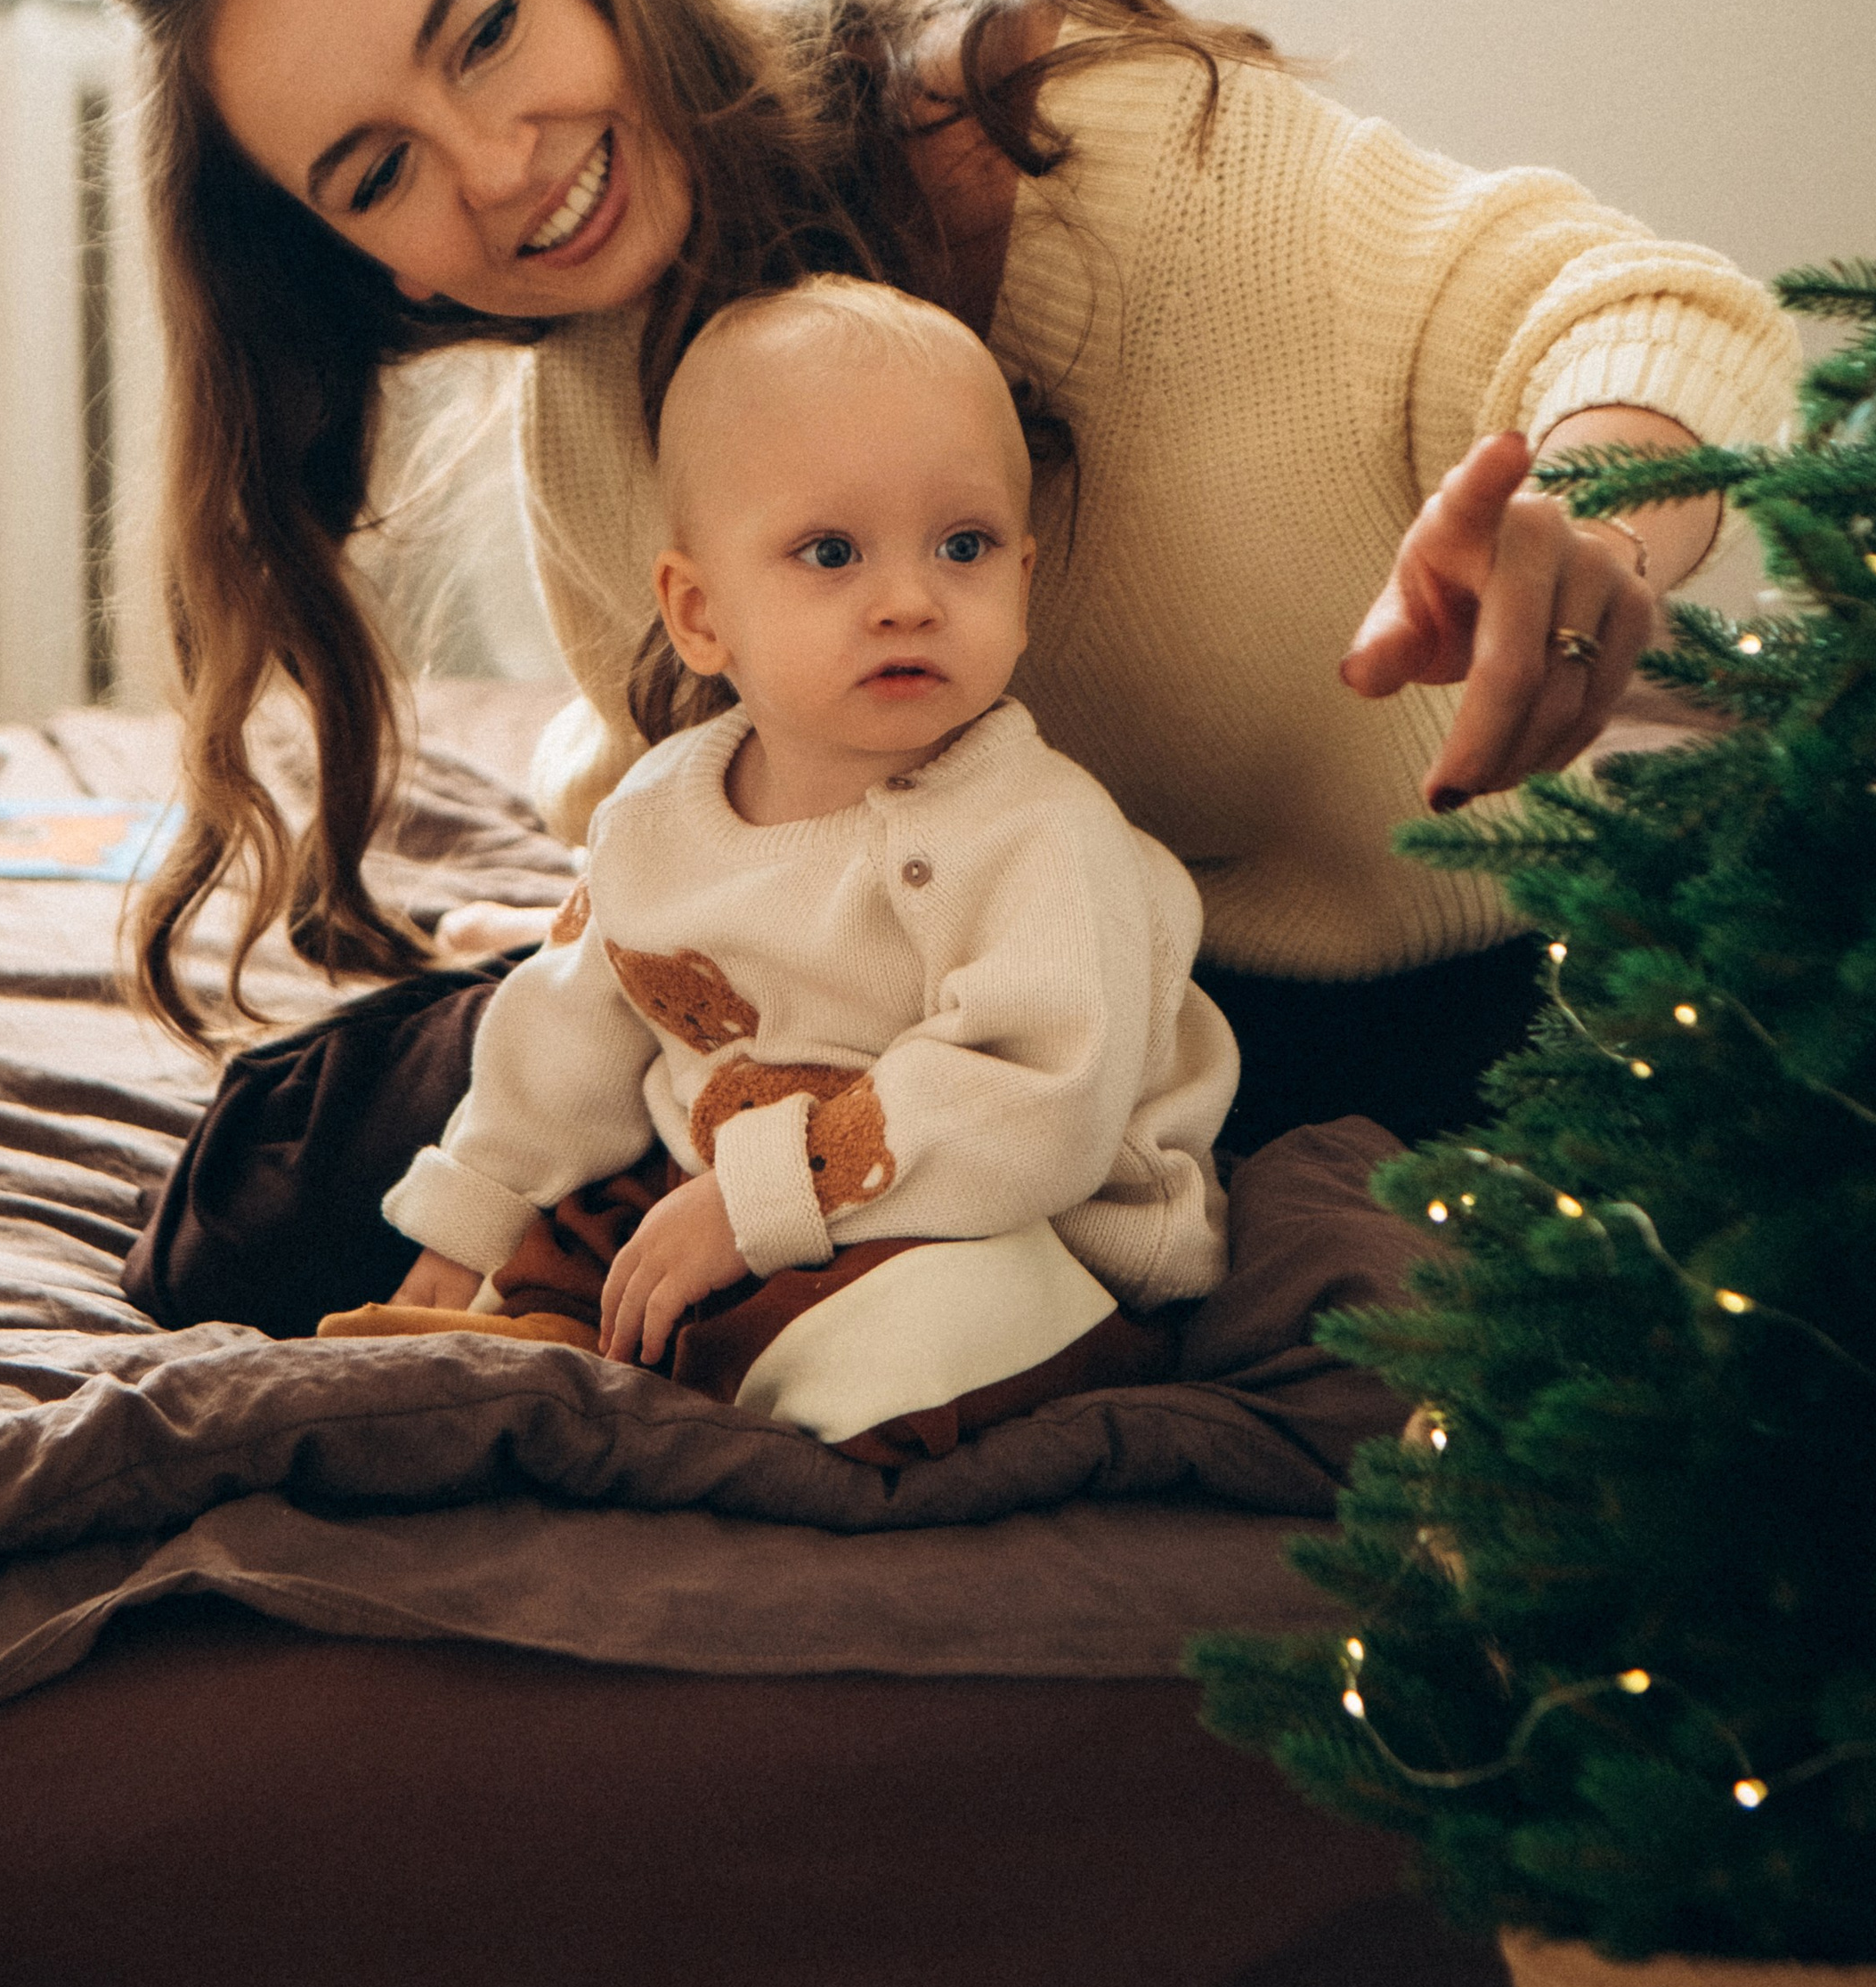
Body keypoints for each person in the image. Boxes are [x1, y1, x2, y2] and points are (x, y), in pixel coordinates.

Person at [84, 0, 1794, 1334]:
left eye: (486, 35)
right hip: (887, 1021)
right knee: (265, 1202)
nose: (499, 167)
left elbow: (1635, 302)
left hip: (1370, 1007)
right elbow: (673, 803)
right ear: (359, 262)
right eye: (380, 173)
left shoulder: (1093, 143)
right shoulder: (593, 409)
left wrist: (1595, 511)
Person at [348, 278, 1236, 1423]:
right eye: (831, 553)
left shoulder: (1041, 835)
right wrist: (475, 1215)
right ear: (700, 613)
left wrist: (749, 1206)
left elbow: (1040, 1108)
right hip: (730, 1189)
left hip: (1019, 1218)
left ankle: (721, 1391)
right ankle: (533, 1353)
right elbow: (563, 1035)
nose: (909, 598)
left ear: (1020, 580)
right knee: (583, 1230)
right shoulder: (657, 814)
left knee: (924, 1314)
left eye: (962, 546)